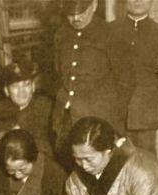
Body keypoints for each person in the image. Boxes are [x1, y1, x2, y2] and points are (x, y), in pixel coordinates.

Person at [53, 0, 120, 170]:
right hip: (65, 118)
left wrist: (112, 117)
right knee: (69, 167)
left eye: (81, 11)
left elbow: (126, 81)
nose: (75, 18)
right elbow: (56, 74)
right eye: (70, 13)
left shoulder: (110, 34)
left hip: (97, 119)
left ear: (94, 6)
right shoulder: (61, 35)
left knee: (97, 170)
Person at [109, 0, 158, 155]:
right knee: (111, 169)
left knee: (146, 168)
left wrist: (145, 102)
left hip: (144, 122)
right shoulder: (109, 31)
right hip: (111, 118)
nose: (138, 1)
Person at [0, 59, 54, 157]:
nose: (22, 91)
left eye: (26, 85)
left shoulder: (46, 107)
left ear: (33, 87)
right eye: (15, 86)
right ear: (6, 91)